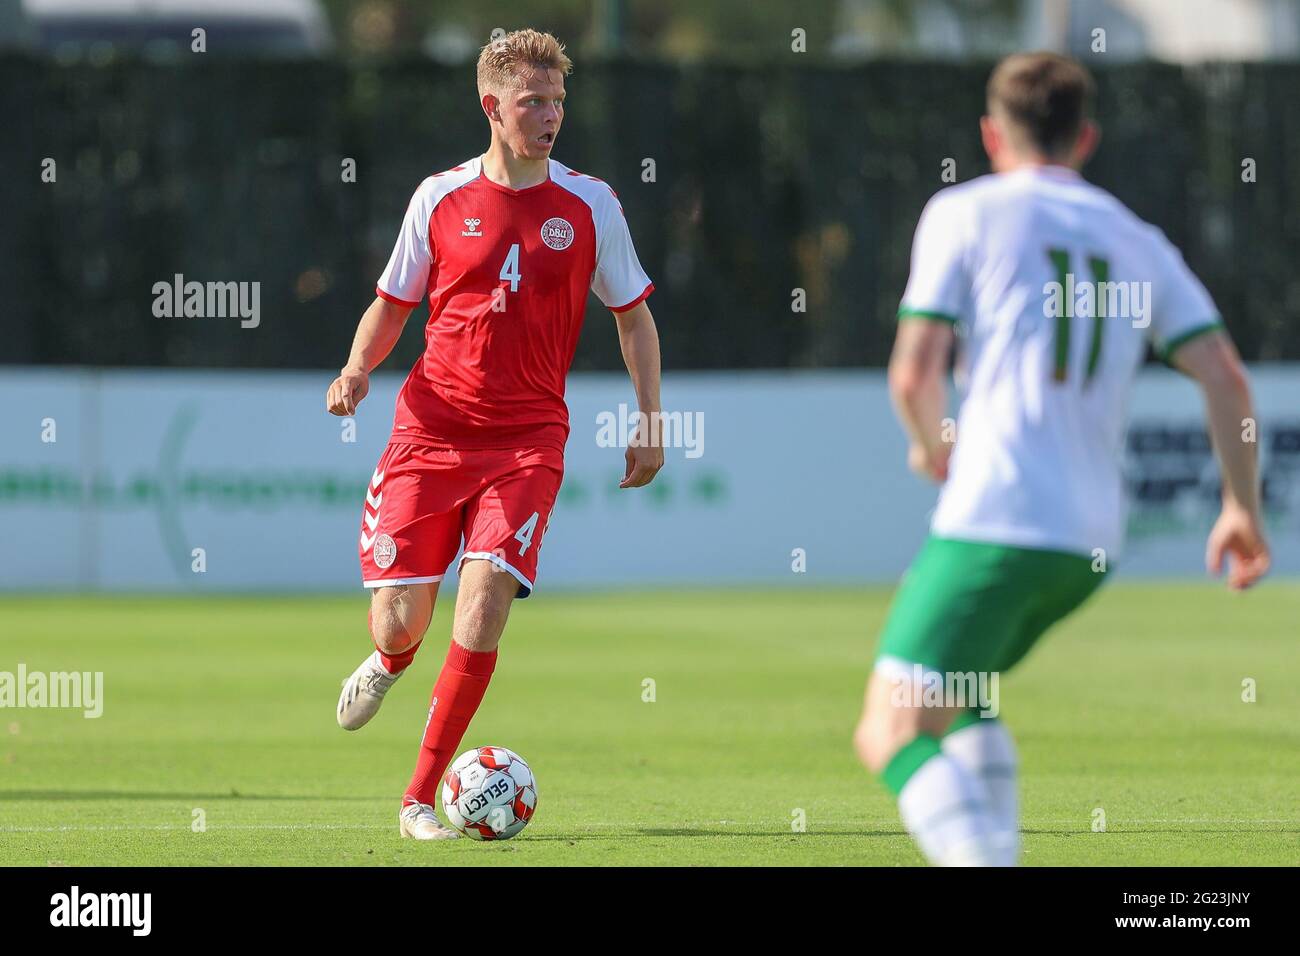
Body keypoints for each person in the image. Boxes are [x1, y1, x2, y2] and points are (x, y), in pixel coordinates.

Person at [853, 51, 1270, 866]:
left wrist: (931, 441)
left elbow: (913, 372)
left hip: (999, 513)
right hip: (1090, 540)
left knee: (890, 728)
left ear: (989, 133)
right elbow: (1225, 375)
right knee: (964, 697)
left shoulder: (965, 212)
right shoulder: (1133, 234)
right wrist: (1241, 507)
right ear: (1086, 138)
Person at [325, 28, 662, 840]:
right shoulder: (439, 198)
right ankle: (392, 661)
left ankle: (416, 798)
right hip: (431, 429)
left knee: (480, 611)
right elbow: (394, 301)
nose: (549, 117)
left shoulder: (591, 204)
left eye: (557, 102)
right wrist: (358, 367)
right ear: (492, 106)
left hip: (529, 441)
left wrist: (651, 420)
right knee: (401, 620)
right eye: (532, 103)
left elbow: (634, 318)